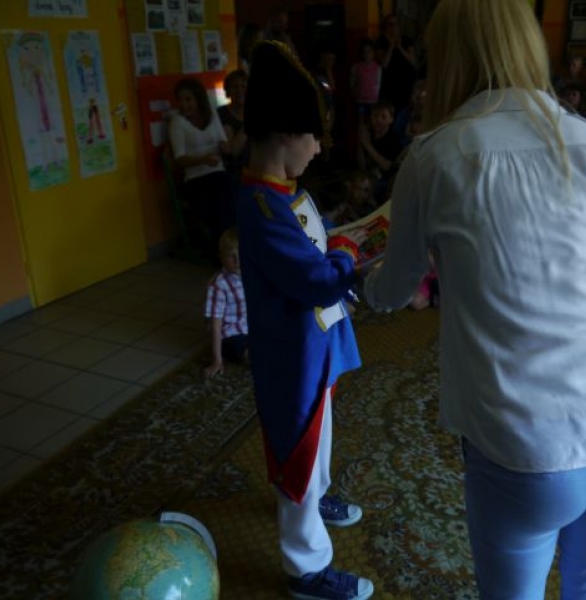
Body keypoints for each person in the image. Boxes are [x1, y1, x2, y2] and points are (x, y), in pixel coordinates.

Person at [360, 1, 586, 598]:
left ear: (448, 59)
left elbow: (392, 292)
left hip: (525, 450)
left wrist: (364, 275)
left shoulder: (434, 154)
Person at [238, 40, 373, 600]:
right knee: (300, 452)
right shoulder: (262, 208)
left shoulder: (281, 194)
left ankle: (314, 500)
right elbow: (314, 278)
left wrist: (339, 246)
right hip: (293, 358)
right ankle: (306, 569)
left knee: (316, 443)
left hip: (312, 347)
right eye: (313, 136)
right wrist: (347, 250)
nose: (318, 148)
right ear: (284, 134)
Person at [169, 77, 234, 256]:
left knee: (228, 193)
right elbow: (179, 160)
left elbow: (223, 143)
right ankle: (221, 251)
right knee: (215, 203)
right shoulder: (177, 123)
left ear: (198, 99)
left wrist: (225, 146)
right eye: (180, 100)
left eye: (188, 99)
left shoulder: (211, 115)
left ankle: (231, 248)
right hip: (195, 178)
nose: (184, 105)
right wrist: (203, 160)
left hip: (218, 173)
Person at [203, 228, 248, 377]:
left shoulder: (251, 275)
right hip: (231, 334)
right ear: (221, 257)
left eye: (240, 254)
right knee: (254, 357)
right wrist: (217, 360)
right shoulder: (218, 285)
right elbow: (215, 326)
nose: (237, 260)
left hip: (251, 328)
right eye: (231, 256)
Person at [217, 70, 249, 176]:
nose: (240, 90)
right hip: (234, 172)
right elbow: (232, 152)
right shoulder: (221, 114)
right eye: (235, 87)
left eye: (243, 86)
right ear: (228, 91)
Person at [350, 39, 382, 118]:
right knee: (361, 120)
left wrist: (375, 96)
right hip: (360, 100)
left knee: (372, 120)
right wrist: (356, 94)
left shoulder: (378, 67)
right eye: (364, 51)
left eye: (369, 51)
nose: (367, 54)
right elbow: (352, 83)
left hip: (373, 101)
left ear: (373, 52)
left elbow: (378, 84)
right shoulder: (356, 67)